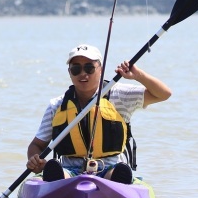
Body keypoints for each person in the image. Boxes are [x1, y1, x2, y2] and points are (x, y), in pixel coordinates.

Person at [26, 43, 172, 185]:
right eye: (76, 69)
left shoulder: (120, 95)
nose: (83, 73)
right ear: (69, 72)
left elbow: (164, 94)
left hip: (110, 168)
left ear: (100, 69)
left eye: (89, 68)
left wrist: (138, 75)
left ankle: (118, 180)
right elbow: (36, 145)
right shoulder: (57, 105)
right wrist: (35, 159)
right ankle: (57, 178)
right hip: (69, 171)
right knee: (59, 172)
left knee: (117, 173)